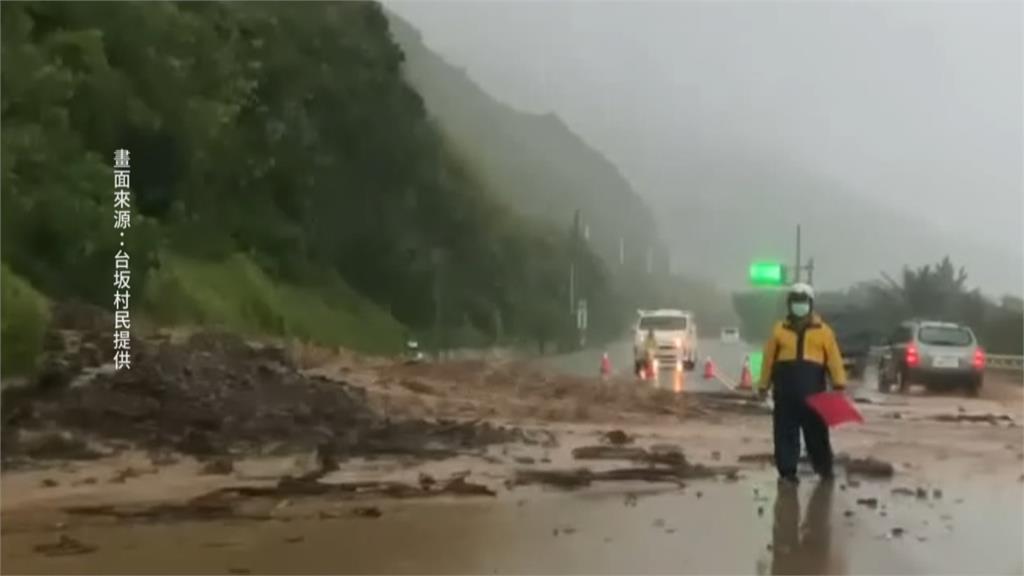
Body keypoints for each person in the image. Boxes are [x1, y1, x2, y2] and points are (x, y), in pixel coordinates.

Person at [758, 282, 847, 484]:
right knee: (785, 434)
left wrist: (839, 384)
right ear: (789, 304)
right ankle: (788, 472)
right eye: (796, 301)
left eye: (803, 301)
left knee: (817, 435)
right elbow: (768, 360)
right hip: (785, 393)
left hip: (814, 393)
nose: (800, 305)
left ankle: (824, 470)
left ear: (810, 304)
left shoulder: (824, 331)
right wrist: (763, 385)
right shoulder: (779, 330)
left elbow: (834, 359)